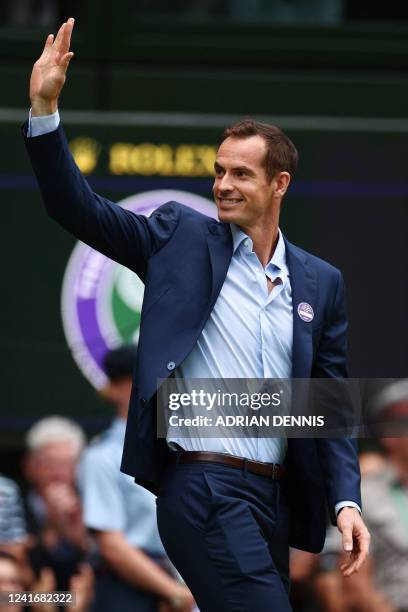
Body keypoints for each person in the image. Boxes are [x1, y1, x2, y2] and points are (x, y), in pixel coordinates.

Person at [24, 18, 370, 611]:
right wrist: (44, 108)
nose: (224, 185)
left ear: (279, 183)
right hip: (202, 485)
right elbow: (74, 207)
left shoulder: (321, 282)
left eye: (241, 173)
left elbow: (327, 407)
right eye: (218, 171)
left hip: (276, 504)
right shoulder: (177, 237)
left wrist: (346, 501)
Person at [78, 345, 194, 611]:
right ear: (114, 389)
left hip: (186, 579)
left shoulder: (183, 445)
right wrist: (175, 594)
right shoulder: (101, 456)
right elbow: (113, 546)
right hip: (130, 591)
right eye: (135, 380)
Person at [22, 416, 89, 591]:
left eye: (67, 464)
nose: (59, 474)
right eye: (50, 464)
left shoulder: (92, 510)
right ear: (29, 467)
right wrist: (50, 526)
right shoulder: (12, 508)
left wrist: (78, 536)